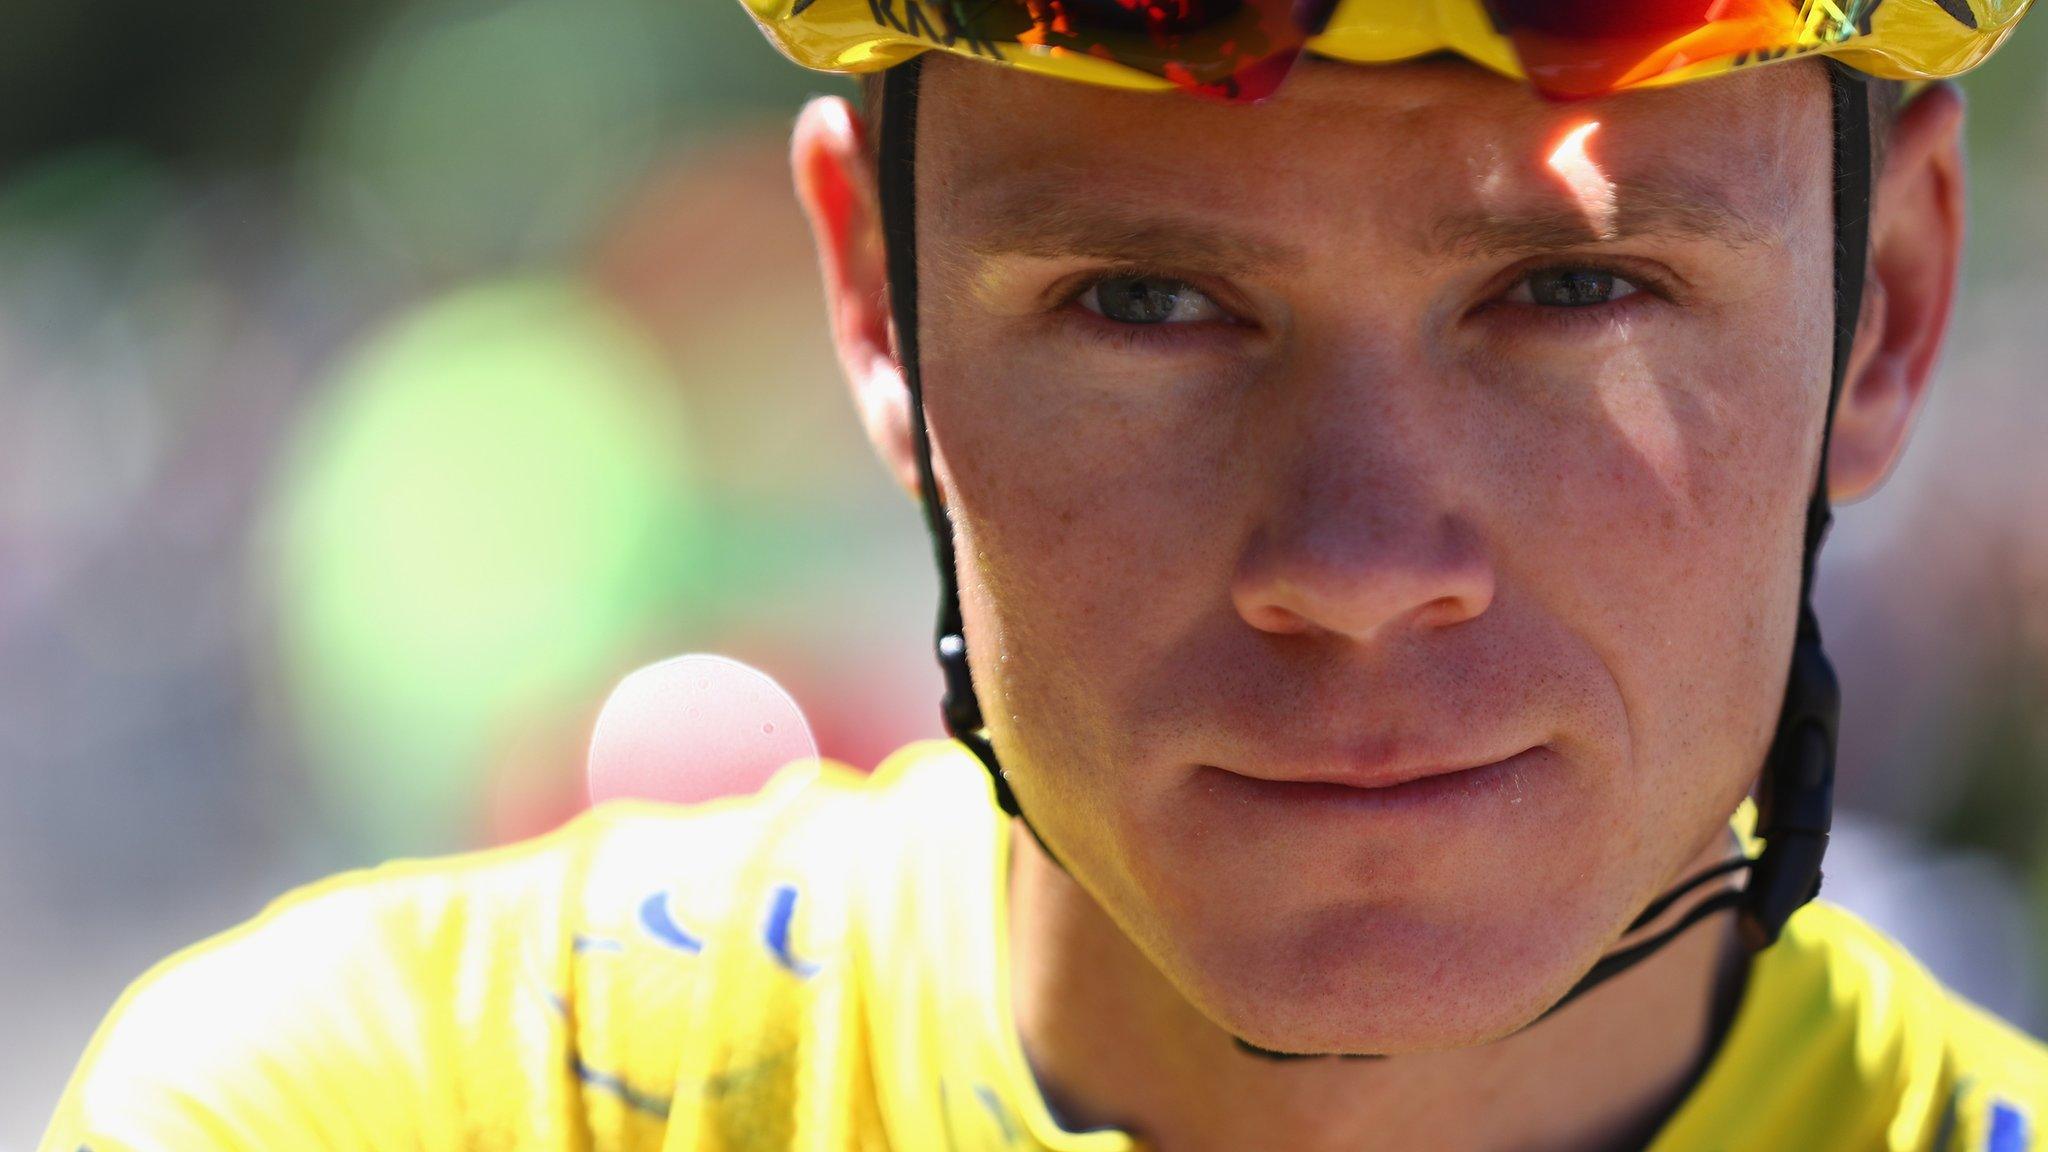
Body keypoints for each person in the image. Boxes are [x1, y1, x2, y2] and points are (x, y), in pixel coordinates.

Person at [41, 2, 2048, 1149]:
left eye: (1576, 287)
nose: (1356, 567)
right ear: (873, 305)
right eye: (1148, 299)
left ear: (1885, 308)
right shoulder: (380, 1113)